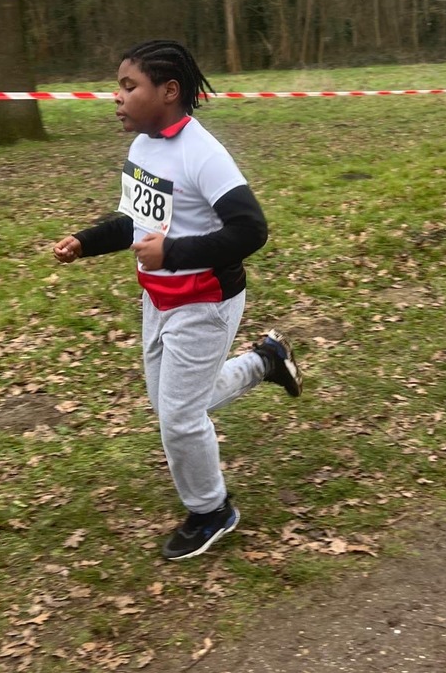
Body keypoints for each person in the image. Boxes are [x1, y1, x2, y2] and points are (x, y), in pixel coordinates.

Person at [52, 40, 302, 561]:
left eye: (128, 87)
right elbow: (136, 222)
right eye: (118, 87)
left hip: (206, 301)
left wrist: (173, 252)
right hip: (159, 298)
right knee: (175, 404)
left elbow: (251, 230)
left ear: (168, 91)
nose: (117, 97)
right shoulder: (143, 148)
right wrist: (86, 241)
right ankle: (266, 361)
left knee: (180, 417)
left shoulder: (202, 153)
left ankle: (211, 509)